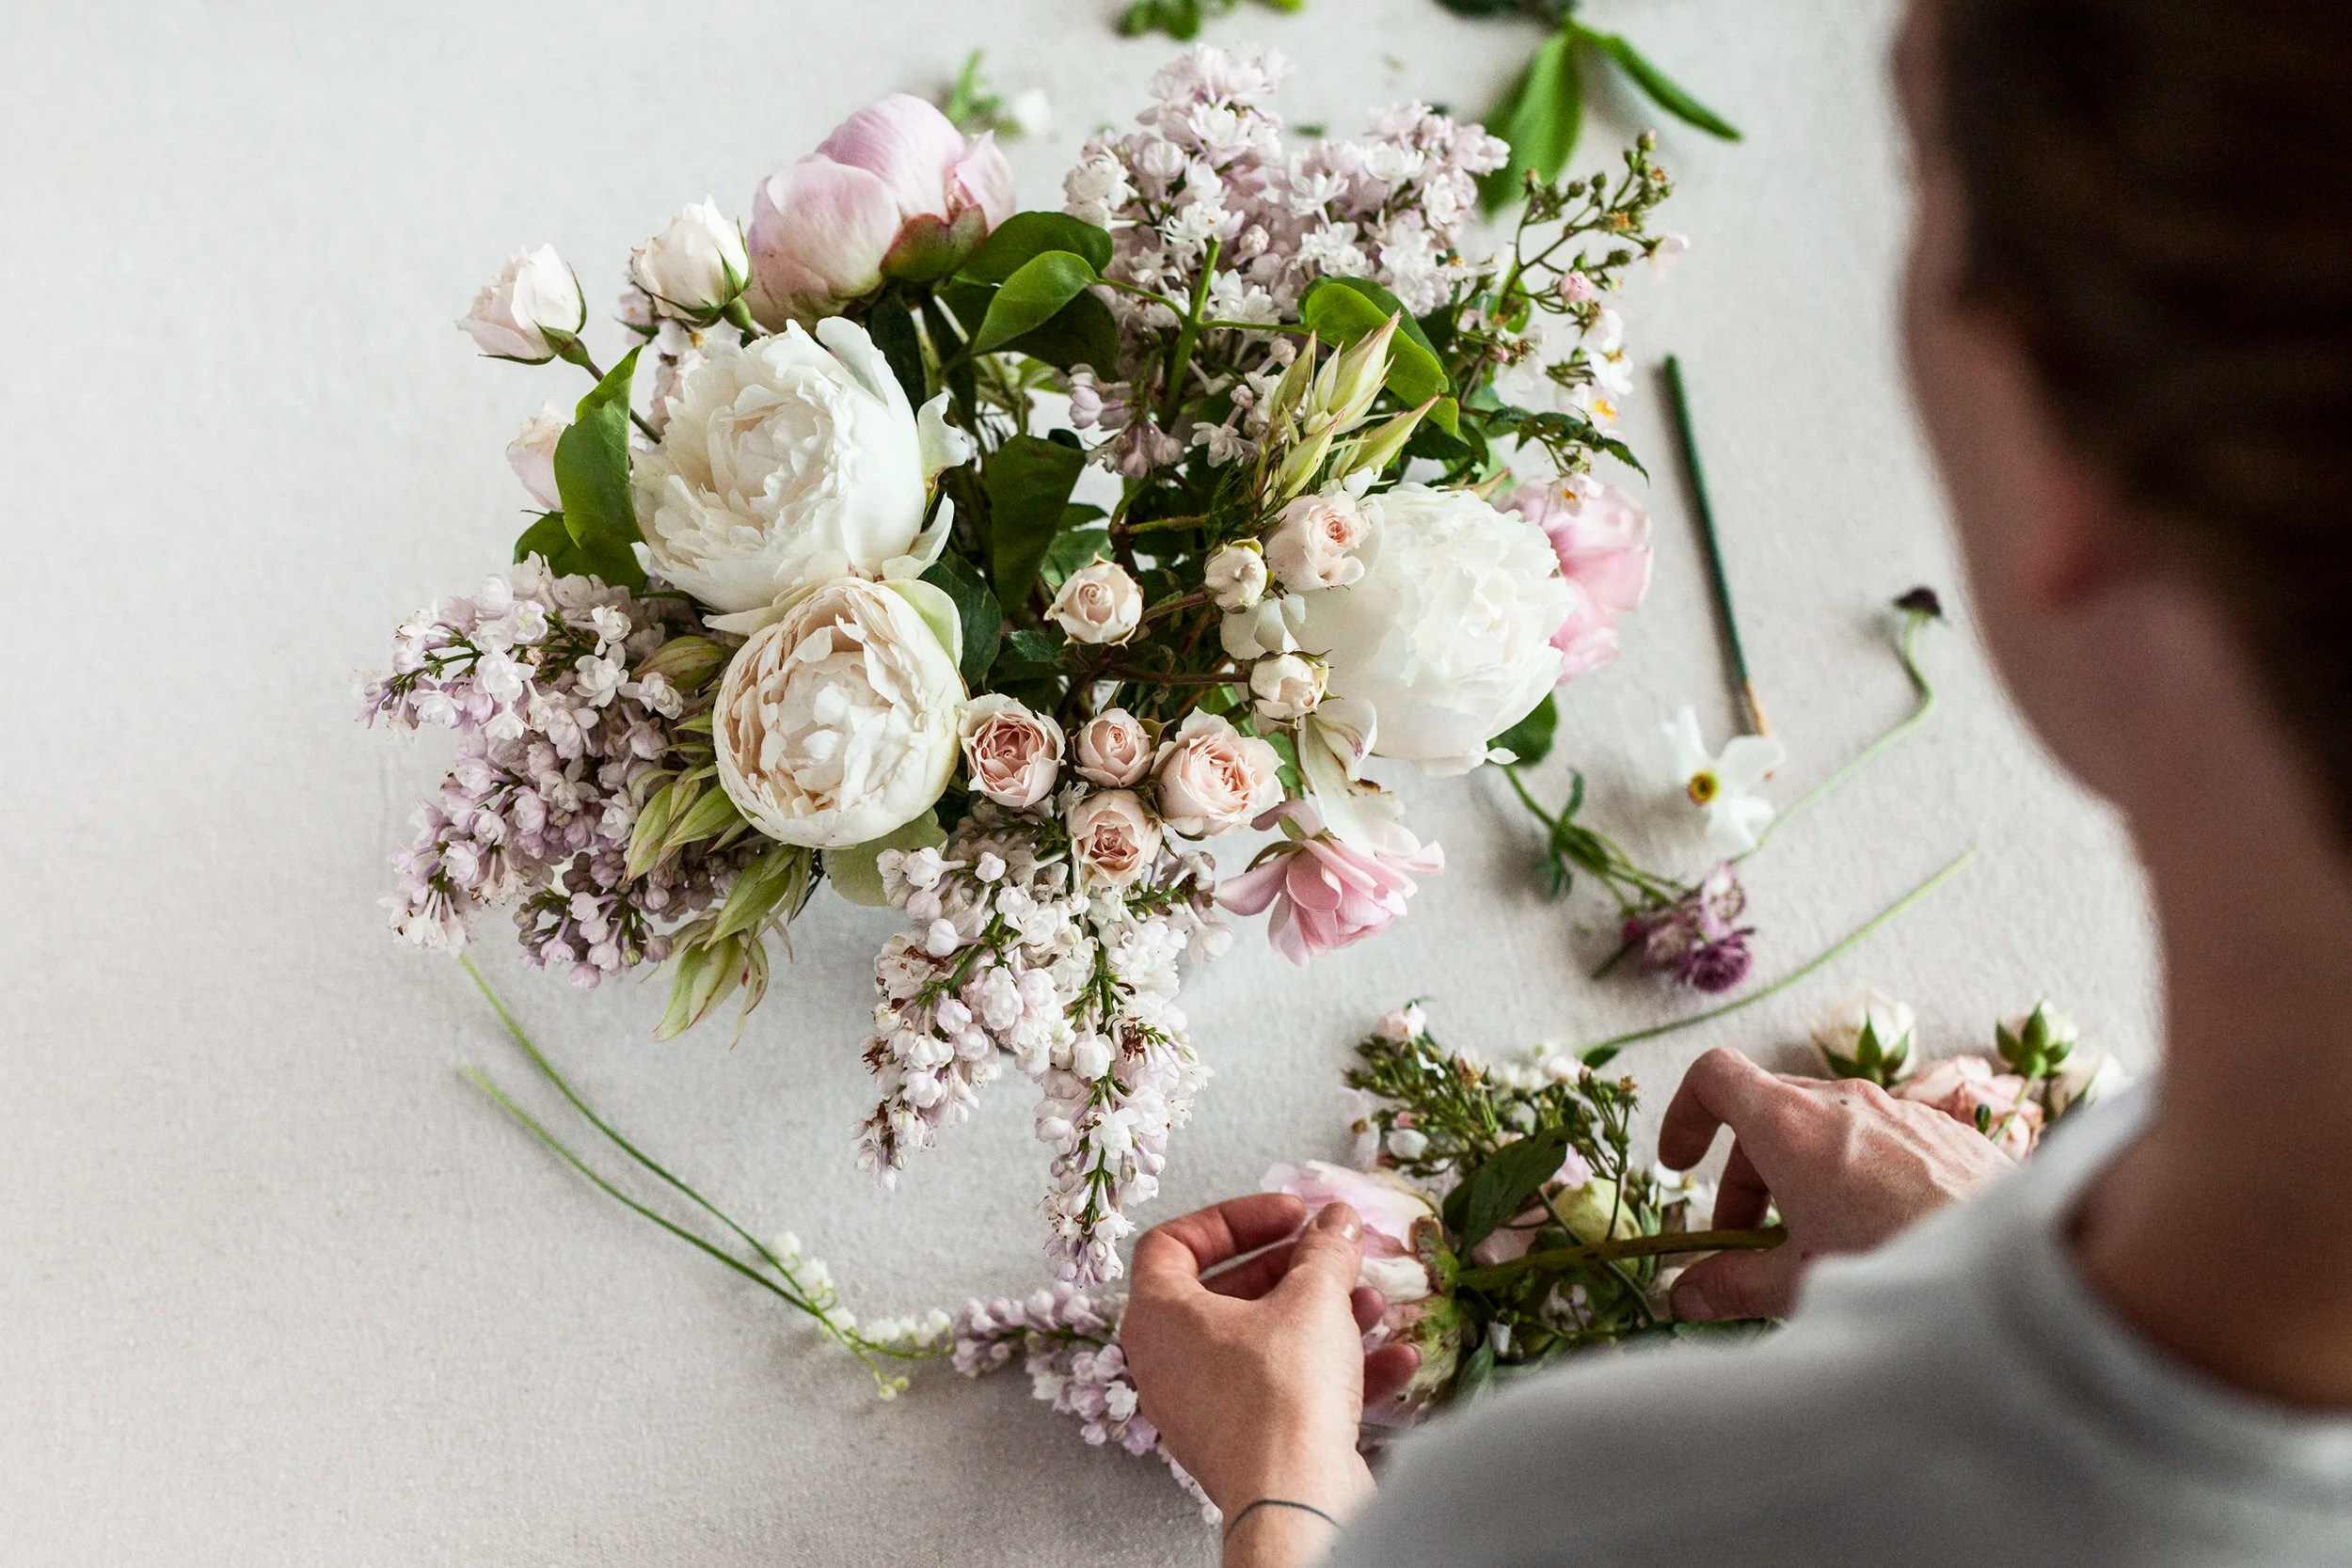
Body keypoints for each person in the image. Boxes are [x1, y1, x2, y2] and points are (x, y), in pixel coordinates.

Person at [1117, 0, 2352, 1562]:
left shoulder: (1631, 1513)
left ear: (2075, 461)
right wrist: (1992, 1257)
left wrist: (1289, 1488)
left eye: (1924, 180)